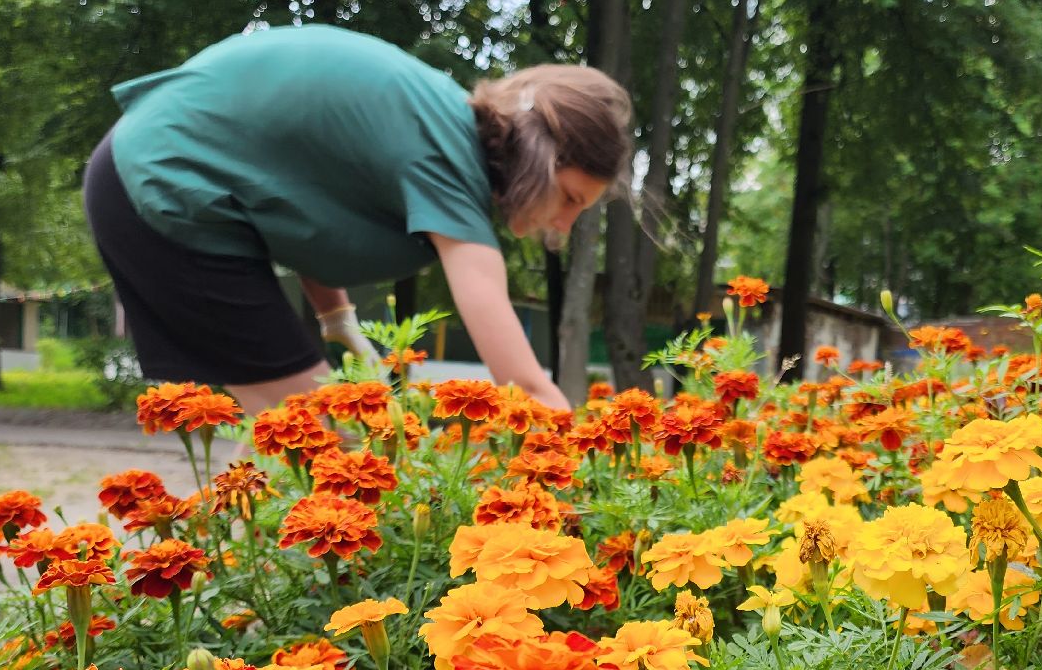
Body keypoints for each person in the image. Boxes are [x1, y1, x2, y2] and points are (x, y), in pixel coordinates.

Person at [82, 25, 633, 413]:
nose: (561, 226)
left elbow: (306, 192)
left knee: (305, 433)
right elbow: (525, 385)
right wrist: (581, 473)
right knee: (322, 441)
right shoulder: (448, 166)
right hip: (165, 184)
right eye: (570, 199)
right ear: (543, 159)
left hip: (147, 164)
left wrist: (337, 319)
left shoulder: (439, 124)